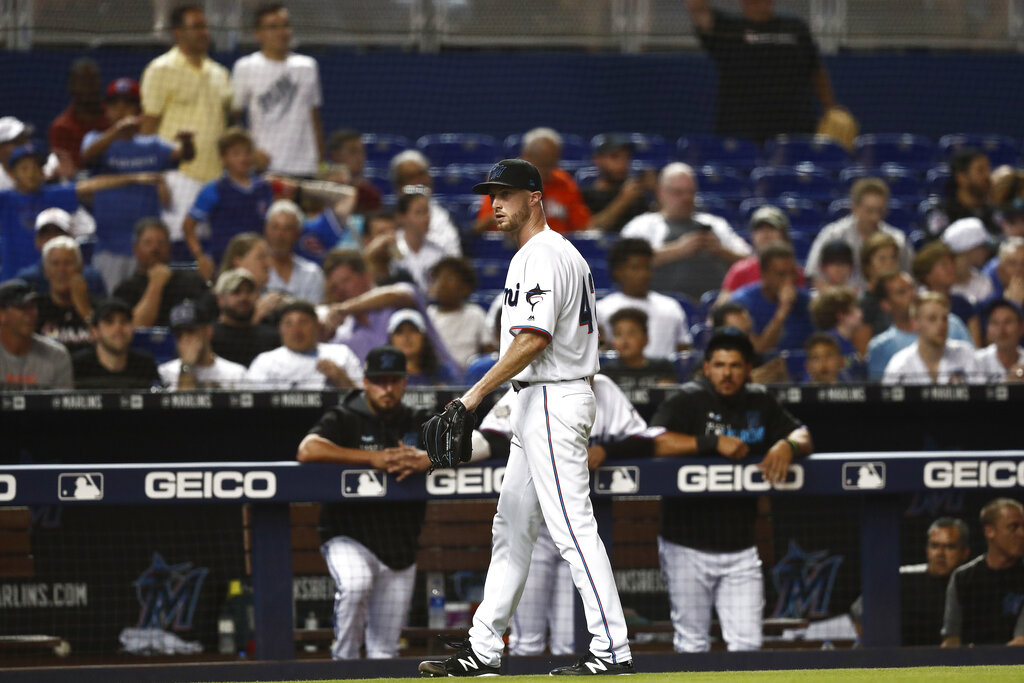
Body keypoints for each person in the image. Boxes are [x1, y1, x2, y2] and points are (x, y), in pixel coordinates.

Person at [418, 159, 634, 677]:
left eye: (508, 193)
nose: (496, 203)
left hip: (554, 398)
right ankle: (484, 648)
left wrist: (470, 400)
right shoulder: (550, 254)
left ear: (535, 197)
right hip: (536, 398)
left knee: (572, 528)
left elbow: (533, 340)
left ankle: (612, 650)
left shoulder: (540, 256)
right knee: (512, 525)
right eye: (492, 194)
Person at [650, 328, 812, 652]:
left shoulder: (760, 401)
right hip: (686, 545)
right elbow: (655, 441)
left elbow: (803, 434)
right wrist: (711, 442)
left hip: (740, 547)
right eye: (720, 365)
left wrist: (786, 445)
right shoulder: (688, 399)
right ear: (707, 367)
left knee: (747, 646)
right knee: (692, 645)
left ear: (748, 369)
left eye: (735, 366)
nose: (727, 373)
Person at [472, 374, 653, 657]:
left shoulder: (602, 386)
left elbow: (643, 440)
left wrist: (604, 450)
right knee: (526, 641)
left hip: (573, 524)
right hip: (537, 533)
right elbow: (492, 435)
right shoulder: (531, 383)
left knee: (567, 641)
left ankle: (609, 650)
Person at [296, 345, 432, 659]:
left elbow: (454, 446)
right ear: (366, 382)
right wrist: (373, 458)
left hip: (400, 543)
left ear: (404, 383)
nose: (387, 388)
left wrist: (426, 458)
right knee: (356, 583)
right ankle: (342, 664)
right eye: (379, 380)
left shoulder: (417, 419)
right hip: (349, 534)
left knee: (384, 651)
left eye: (394, 380)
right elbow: (308, 449)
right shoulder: (345, 415)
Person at [80, 77, 195, 291]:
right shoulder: (96, 139)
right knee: (110, 305)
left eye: (128, 104)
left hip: (147, 250)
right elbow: (86, 156)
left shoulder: (151, 144)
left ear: (138, 110)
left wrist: (187, 141)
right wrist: (116, 131)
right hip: (108, 247)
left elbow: (185, 156)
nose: (121, 110)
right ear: (107, 110)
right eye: (115, 105)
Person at [0, 141, 163, 282]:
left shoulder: (53, 195)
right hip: (11, 280)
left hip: (51, 280)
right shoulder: (6, 199)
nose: (31, 173)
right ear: (12, 173)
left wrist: (134, 178)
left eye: (37, 168)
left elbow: (92, 185)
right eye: (24, 168)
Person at [140, 3, 233, 242]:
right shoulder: (160, 69)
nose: (204, 32)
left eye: (205, 26)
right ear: (177, 32)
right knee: (180, 246)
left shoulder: (220, 73)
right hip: (178, 179)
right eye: (196, 27)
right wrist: (155, 178)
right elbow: (148, 128)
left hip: (216, 178)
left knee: (212, 248)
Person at [685, 0, 838, 142]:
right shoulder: (726, 28)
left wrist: (830, 108)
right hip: (741, 132)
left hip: (796, 130)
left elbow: (816, 70)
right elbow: (697, 9)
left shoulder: (794, 26)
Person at [621, 162, 751, 300]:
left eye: (691, 192)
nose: (686, 198)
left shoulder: (715, 224)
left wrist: (720, 250)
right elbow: (625, 264)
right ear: (660, 193)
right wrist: (678, 249)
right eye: (678, 192)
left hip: (717, 304)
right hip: (659, 304)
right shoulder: (642, 225)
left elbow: (750, 262)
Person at [231, 3, 323, 177]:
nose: (282, 32)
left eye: (286, 25)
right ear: (258, 33)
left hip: (305, 167)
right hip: (267, 168)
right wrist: (250, 151)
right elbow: (234, 119)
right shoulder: (245, 67)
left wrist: (319, 161)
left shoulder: (308, 67)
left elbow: (315, 118)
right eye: (273, 27)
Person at [318, 249, 453, 365]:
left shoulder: (395, 299)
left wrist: (344, 308)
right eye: (334, 287)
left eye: (345, 281)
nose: (340, 290)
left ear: (366, 277)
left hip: (444, 385)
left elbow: (402, 295)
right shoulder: (343, 334)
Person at [851, 518, 971, 646]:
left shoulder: (971, 583)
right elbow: (858, 612)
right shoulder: (902, 577)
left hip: (953, 661)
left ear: (965, 553)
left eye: (949, 547)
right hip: (901, 661)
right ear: (927, 550)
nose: (940, 553)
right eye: (934, 546)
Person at [183, 127, 275, 279]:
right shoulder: (213, 189)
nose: (243, 158)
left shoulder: (264, 188)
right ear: (224, 158)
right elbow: (188, 226)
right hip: (223, 266)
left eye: (247, 152)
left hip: (258, 265)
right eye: (236, 153)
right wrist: (200, 257)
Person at [474, 128, 591, 235]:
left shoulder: (564, 182)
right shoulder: (504, 179)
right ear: (527, 157)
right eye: (543, 165)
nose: (548, 171)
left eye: (552, 164)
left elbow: (582, 226)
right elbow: (480, 226)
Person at [942, 498, 1024, 647]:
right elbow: (952, 638)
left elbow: (1021, 641)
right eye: (1013, 527)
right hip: (973, 664)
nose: (1022, 534)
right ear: (989, 531)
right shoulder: (962, 578)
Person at [806, 178, 913, 291]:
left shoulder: (897, 239)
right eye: (869, 211)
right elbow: (815, 276)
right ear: (854, 208)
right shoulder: (833, 235)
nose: (875, 217)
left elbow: (908, 278)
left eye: (880, 211)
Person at [866, 272, 974, 381]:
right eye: (902, 292)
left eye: (912, 288)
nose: (912, 294)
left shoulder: (957, 334)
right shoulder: (894, 359)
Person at [596, 238, 691, 358]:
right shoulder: (601, 309)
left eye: (647, 267)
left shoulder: (671, 307)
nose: (644, 274)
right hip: (619, 374)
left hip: (665, 374)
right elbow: (600, 353)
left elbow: (683, 353)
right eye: (635, 268)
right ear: (618, 271)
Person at [113, 218, 209, 328]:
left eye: (161, 243)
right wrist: (156, 283)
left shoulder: (189, 281)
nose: (155, 248)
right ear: (136, 249)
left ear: (169, 248)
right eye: (148, 243)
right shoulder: (126, 289)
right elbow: (135, 327)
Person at [246, 299, 363, 389]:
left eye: (303, 322)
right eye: (288, 323)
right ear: (280, 329)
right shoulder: (266, 362)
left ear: (317, 325)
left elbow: (363, 400)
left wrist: (342, 379)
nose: (296, 330)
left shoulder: (340, 354)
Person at [731, 243, 814, 353]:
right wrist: (783, 310)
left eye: (792, 273)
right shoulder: (742, 303)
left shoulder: (807, 301)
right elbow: (756, 352)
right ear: (764, 274)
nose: (789, 281)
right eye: (781, 274)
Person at [882, 292, 981, 385]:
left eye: (944, 318)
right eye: (932, 319)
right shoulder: (900, 365)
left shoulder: (965, 354)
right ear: (915, 323)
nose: (941, 325)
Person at [600, 307, 680, 417]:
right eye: (618, 334)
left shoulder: (663, 367)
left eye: (631, 333)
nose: (624, 340)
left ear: (646, 338)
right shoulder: (606, 372)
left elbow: (670, 405)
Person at [15, 208, 106, 298]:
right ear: (37, 240)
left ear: (71, 237)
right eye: (46, 233)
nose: (52, 238)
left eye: (58, 232)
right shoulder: (27, 280)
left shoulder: (91, 278)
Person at [72, 298, 160, 390]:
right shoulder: (78, 366)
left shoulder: (145, 366)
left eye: (124, 321)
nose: (118, 328)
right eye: (109, 322)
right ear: (95, 331)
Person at [0, 279, 73, 390]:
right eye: (22, 307)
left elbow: (63, 405)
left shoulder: (56, 355)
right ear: (2, 314)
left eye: (33, 307)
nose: (30, 314)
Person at [158, 299, 246, 390]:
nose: (185, 339)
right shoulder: (165, 373)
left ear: (208, 331)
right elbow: (183, 403)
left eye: (190, 331)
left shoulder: (235, 374)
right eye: (178, 334)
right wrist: (187, 365)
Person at [388, 149, 461, 256]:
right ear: (398, 185)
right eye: (410, 177)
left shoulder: (447, 216)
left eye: (421, 174)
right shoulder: (388, 219)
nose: (418, 182)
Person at [720, 205, 805, 295]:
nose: (765, 234)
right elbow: (722, 306)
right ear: (752, 236)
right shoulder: (739, 270)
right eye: (760, 229)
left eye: (771, 228)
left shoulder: (792, 271)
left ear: (784, 235)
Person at [426, 257, 493, 371]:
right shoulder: (428, 314)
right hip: (436, 379)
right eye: (438, 278)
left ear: (466, 288)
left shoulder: (475, 314)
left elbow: (489, 351)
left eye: (449, 279)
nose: (442, 284)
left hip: (468, 379)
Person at [34, 236, 96, 355]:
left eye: (68, 263)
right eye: (55, 263)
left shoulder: (98, 308)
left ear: (80, 267)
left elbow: (108, 345)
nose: (61, 270)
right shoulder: (35, 309)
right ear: (45, 270)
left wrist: (84, 309)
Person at [912, 241, 981, 346]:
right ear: (927, 274)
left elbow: (975, 346)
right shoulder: (917, 305)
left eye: (951, 263)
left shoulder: (963, 304)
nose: (951, 268)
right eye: (944, 265)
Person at [580, 134, 653, 233]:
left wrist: (655, 191)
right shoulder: (585, 195)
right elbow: (589, 228)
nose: (622, 163)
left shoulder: (636, 195)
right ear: (597, 160)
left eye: (626, 157)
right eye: (615, 157)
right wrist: (623, 201)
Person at [48, 58, 109, 175]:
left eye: (92, 81)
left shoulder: (115, 118)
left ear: (99, 84)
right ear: (71, 86)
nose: (88, 87)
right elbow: (71, 170)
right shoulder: (61, 127)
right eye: (82, 82)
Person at [210, 268, 280, 366]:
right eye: (236, 292)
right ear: (220, 299)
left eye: (249, 291)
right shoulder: (209, 338)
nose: (244, 297)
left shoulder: (272, 337)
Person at [927, 148, 998, 238]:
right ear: (961, 177)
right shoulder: (943, 213)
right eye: (980, 170)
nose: (987, 175)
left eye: (988, 169)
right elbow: (934, 248)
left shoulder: (993, 212)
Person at [263, 199, 324, 304]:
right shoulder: (256, 271)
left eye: (287, 229)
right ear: (265, 230)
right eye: (274, 227)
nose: (279, 235)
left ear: (297, 233)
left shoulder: (311, 274)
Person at [386, 308, 458, 386]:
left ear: (423, 336)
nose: (406, 337)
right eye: (399, 332)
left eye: (413, 330)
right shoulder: (382, 375)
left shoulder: (443, 372)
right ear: (391, 338)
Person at [394, 186, 445, 292]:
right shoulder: (390, 245)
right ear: (401, 217)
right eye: (419, 212)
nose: (426, 218)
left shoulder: (438, 251)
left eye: (427, 212)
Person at [324, 129, 381, 213]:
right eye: (353, 151)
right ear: (335, 155)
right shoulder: (321, 189)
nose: (360, 157)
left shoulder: (369, 194)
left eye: (362, 151)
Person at [857, 232, 902, 337]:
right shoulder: (863, 305)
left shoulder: (906, 297)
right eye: (882, 259)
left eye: (893, 257)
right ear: (868, 265)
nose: (890, 264)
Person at [942, 217, 994, 304]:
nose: (987, 251)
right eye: (982, 247)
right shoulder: (939, 281)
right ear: (969, 249)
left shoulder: (982, 281)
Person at [808, 285, 865, 360]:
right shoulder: (829, 345)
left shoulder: (846, 341)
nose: (860, 314)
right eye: (854, 309)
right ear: (840, 315)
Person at [974, 299, 1024, 383]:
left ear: (1021, 327)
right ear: (987, 329)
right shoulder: (977, 361)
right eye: (995, 323)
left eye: (1008, 322)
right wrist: (1008, 382)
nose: (1001, 330)